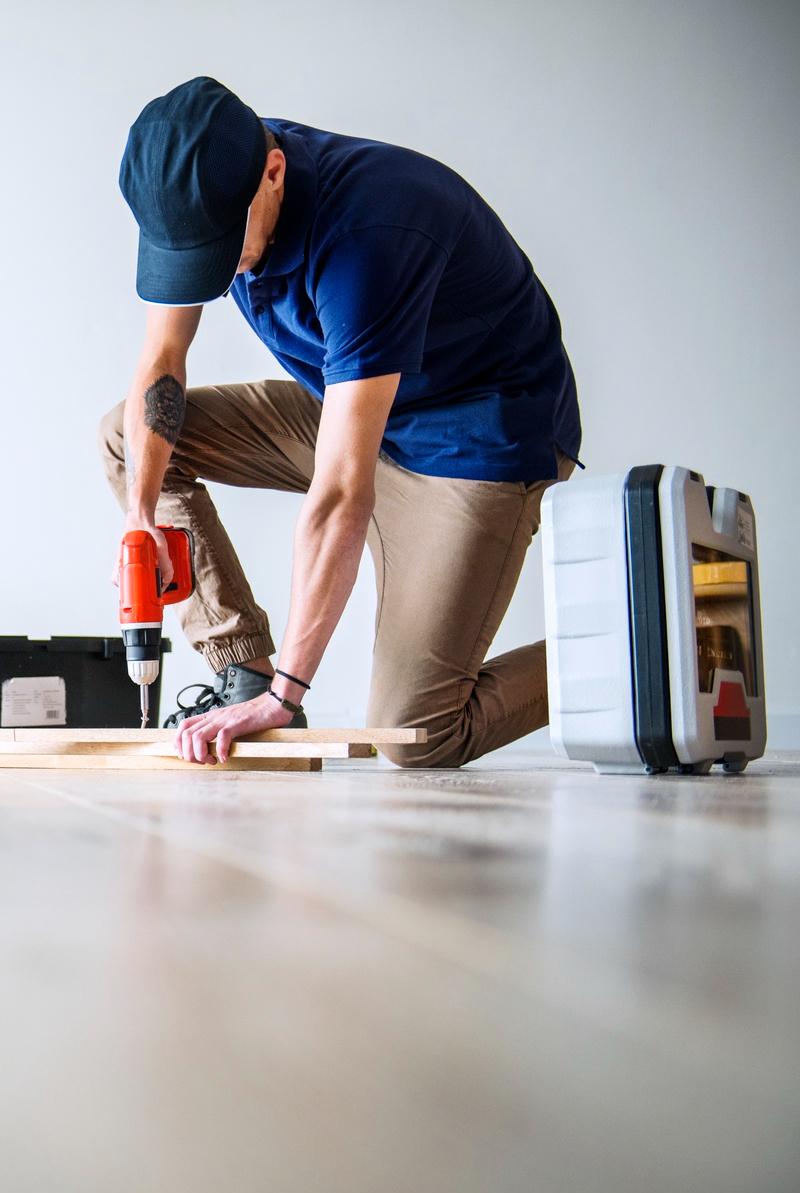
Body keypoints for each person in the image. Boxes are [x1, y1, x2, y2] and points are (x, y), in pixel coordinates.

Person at [102, 76, 581, 767]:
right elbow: (162, 360)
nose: (212, 274)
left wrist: (289, 699)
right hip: (355, 404)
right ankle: (245, 670)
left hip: (475, 441)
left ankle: (635, 636)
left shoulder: (370, 235)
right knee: (130, 437)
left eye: (217, 254)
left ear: (274, 174)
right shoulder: (208, 177)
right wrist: (141, 516)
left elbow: (339, 495)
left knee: (418, 732)